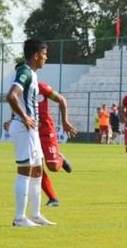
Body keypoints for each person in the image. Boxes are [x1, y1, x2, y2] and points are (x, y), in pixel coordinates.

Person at [5, 38, 56, 227]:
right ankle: (19, 218)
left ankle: (35, 215)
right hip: (24, 127)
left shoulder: (31, 74)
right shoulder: (25, 72)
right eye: (44, 55)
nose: (46, 58)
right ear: (35, 55)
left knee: (37, 170)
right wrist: (25, 117)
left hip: (31, 129)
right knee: (25, 170)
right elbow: (11, 96)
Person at [6, 79, 77, 207]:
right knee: (35, 166)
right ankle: (53, 198)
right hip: (30, 132)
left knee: (53, 167)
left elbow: (61, 99)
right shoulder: (18, 93)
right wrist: (11, 122)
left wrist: (65, 121)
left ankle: (59, 158)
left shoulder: (41, 87)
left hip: (46, 132)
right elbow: (15, 111)